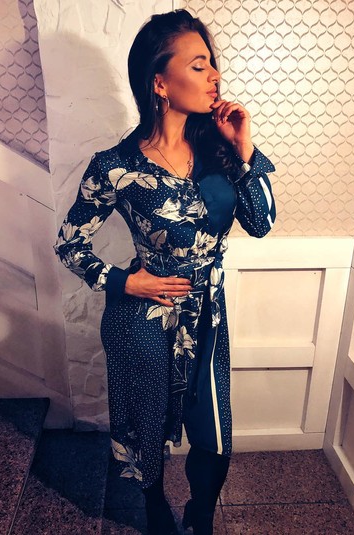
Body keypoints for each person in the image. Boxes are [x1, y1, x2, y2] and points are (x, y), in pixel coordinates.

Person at [54, 9, 275, 535]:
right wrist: (124, 281)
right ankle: (155, 511)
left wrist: (245, 148)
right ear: (160, 82)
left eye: (212, 64)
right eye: (199, 66)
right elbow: (69, 242)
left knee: (214, 436)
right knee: (146, 431)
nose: (214, 76)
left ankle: (201, 514)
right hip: (144, 323)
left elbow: (261, 222)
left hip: (208, 318)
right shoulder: (115, 166)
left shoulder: (219, 148)